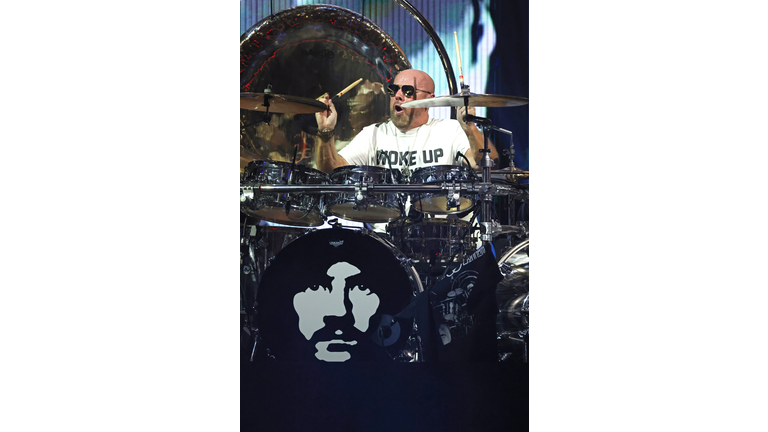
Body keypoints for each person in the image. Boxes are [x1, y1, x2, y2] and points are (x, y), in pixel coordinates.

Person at [313, 69, 498, 175]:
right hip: (385, 230)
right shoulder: (374, 134)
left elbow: (485, 164)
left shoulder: (449, 130)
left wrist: (470, 129)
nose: (398, 96)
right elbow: (331, 171)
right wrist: (325, 131)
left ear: (429, 100)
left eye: (408, 91)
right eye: (394, 90)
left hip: (441, 228)